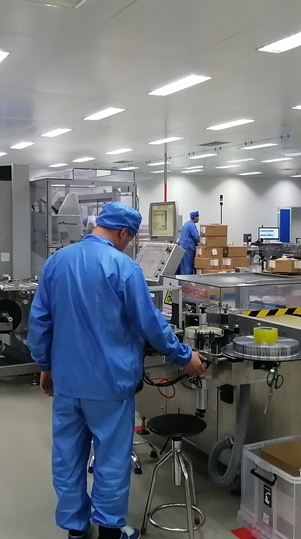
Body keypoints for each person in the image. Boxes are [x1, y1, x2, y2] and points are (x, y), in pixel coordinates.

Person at [27, 202, 207, 539]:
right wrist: (184, 356)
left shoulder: (57, 262)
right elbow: (150, 323)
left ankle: (76, 529)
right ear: (124, 232)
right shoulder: (124, 267)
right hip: (109, 383)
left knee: (67, 457)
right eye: (130, 238)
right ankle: (111, 529)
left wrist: (45, 366)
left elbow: (40, 323)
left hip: (67, 382)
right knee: (111, 459)